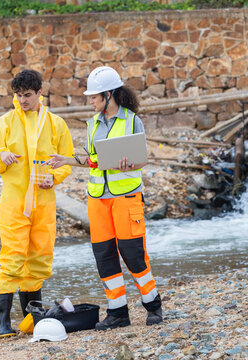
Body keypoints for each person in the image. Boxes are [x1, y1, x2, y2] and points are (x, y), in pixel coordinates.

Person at [45, 66, 162, 330]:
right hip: (98, 200)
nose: (92, 101)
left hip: (126, 198)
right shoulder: (92, 125)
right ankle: (118, 313)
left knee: (133, 256)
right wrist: (66, 160)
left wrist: (128, 164)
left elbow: (141, 158)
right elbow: (93, 160)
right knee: (105, 257)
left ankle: (153, 306)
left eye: (95, 96)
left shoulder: (132, 121)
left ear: (108, 95)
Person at [0, 69, 74, 337]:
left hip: (44, 204)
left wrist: (54, 178)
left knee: (39, 259)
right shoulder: (5, 123)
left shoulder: (56, 124)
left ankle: (32, 320)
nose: (23, 100)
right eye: (19, 95)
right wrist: (3, 156)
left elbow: (66, 159)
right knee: (12, 259)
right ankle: (2, 324)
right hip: (13, 204)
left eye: (27, 95)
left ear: (39, 94)